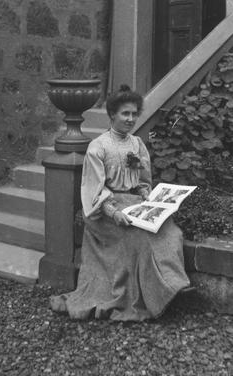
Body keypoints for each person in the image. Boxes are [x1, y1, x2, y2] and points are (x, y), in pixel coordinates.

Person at [50, 85, 191, 322]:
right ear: (112, 114)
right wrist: (113, 212)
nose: (131, 119)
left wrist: (148, 196)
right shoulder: (99, 146)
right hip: (104, 210)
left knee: (170, 231)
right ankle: (158, 293)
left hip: (134, 202)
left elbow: (143, 182)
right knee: (140, 236)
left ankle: (174, 285)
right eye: (125, 114)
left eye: (135, 114)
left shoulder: (137, 144)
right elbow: (94, 190)